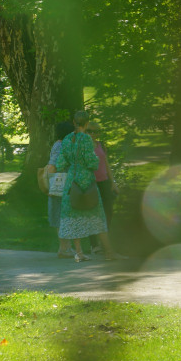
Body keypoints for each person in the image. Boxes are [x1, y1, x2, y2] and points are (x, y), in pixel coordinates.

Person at [56, 111, 121, 262]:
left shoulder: (67, 139)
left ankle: (79, 252)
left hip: (71, 181)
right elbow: (92, 162)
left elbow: (60, 163)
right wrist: (91, 163)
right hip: (86, 180)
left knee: (73, 214)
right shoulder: (85, 139)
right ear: (86, 123)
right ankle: (109, 252)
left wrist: (72, 164)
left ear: (74, 122)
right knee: (98, 215)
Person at [85, 122, 119, 256]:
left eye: (96, 131)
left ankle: (105, 240)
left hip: (104, 182)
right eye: (90, 131)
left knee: (108, 211)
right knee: (92, 212)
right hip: (91, 183)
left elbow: (106, 164)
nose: (93, 134)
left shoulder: (101, 145)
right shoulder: (84, 146)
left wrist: (113, 182)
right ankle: (94, 245)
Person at [46, 120, 74, 258]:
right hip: (60, 185)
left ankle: (64, 248)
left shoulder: (62, 144)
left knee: (63, 216)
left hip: (62, 185)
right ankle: (64, 248)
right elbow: (52, 166)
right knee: (61, 217)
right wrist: (51, 181)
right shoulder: (61, 145)